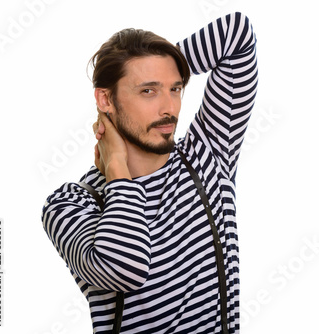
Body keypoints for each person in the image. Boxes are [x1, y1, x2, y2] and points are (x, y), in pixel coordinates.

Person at [41, 12, 258, 333]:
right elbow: (124, 268)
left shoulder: (207, 155)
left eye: (175, 88)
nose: (169, 107)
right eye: (148, 91)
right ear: (105, 98)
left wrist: (161, 66)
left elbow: (236, 33)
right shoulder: (71, 205)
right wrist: (116, 166)